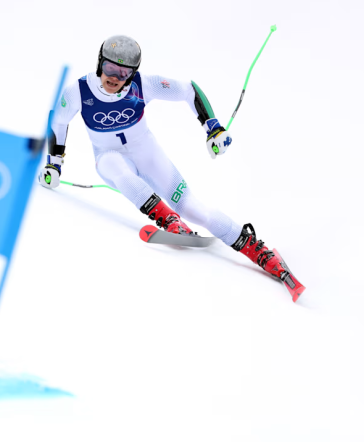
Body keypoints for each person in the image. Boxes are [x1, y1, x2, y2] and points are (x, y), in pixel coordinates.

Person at [38, 35, 303, 296]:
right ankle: (170, 221)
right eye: (109, 68)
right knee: (118, 171)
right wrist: (54, 163)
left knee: (194, 208)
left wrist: (213, 128)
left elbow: (189, 89)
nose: (115, 77)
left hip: (148, 154)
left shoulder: (144, 85)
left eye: (124, 72)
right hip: (108, 155)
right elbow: (58, 120)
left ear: (133, 73)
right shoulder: (79, 91)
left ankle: (258, 251)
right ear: (100, 64)